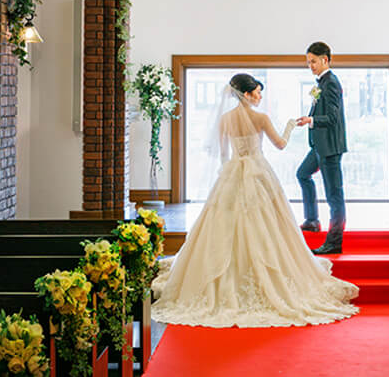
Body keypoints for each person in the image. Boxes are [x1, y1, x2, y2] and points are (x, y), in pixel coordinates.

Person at [150, 73, 358, 328]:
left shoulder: (225, 120)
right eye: (258, 92)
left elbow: (223, 155)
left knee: (225, 226)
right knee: (269, 225)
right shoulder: (260, 118)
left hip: (232, 175)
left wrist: (230, 175)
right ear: (246, 94)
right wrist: (291, 126)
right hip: (259, 174)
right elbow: (280, 144)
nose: (260, 96)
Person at [296, 42, 347, 254]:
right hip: (318, 145)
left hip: (330, 148)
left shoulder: (331, 83)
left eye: (313, 61)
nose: (310, 66)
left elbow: (333, 118)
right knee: (302, 174)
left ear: (325, 59)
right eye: (308, 62)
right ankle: (312, 220)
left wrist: (311, 120)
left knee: (334, 195)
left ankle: (334, 241)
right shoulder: (321, 83)